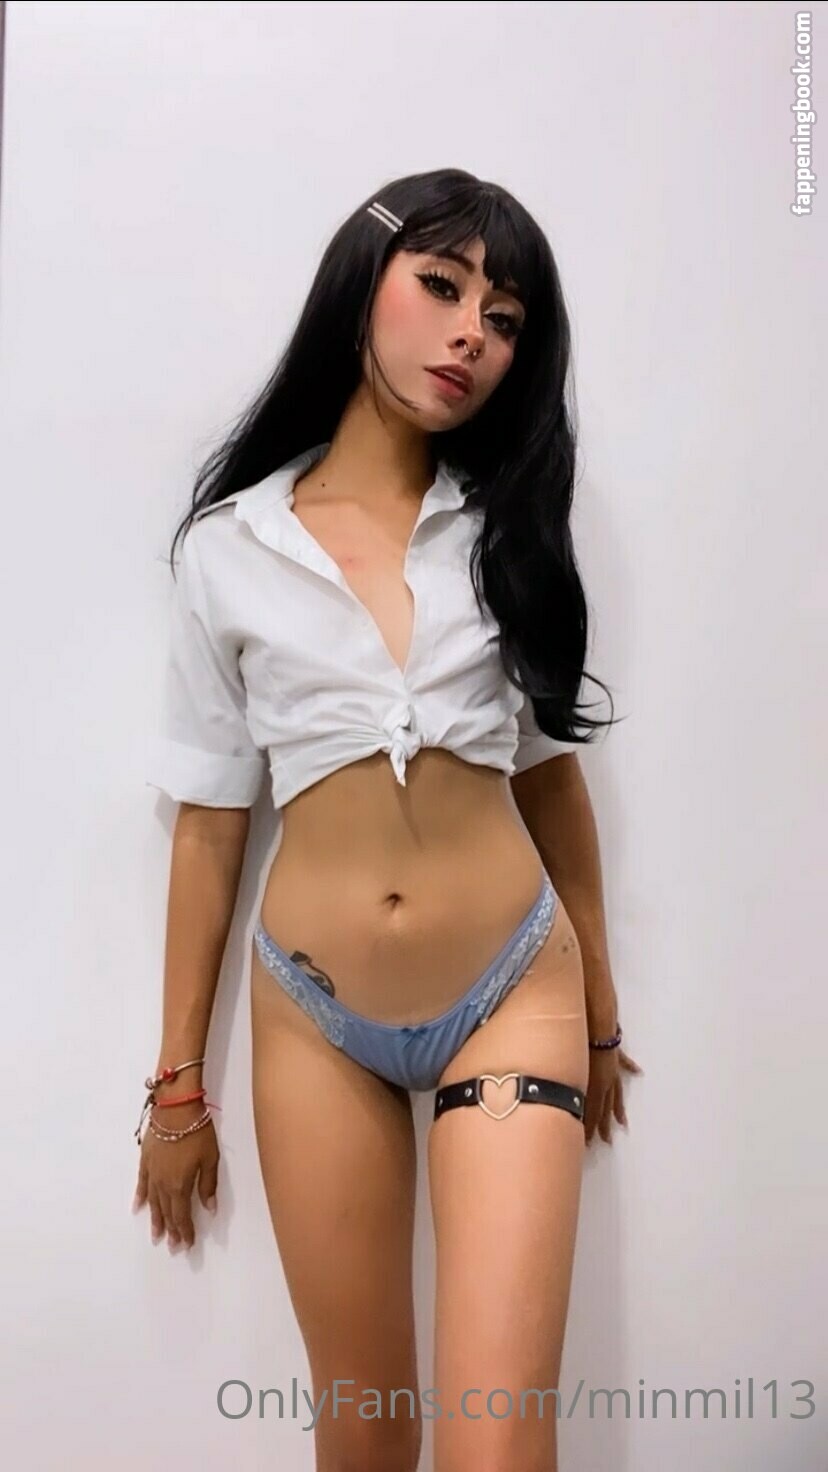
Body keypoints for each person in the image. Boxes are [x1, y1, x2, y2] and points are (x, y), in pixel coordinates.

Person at [134, 168, 641, 1472]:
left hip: (512, 990)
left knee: (495, 1446)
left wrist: (599, 1006)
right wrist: (177, 1087)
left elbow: (550, 778)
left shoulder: (508, 527)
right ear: (365, 282)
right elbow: (210, 822)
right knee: (363, 1437)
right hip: (316, 1017)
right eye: (444, 286)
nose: (473, 333)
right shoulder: (230, 548)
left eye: (506, 318)